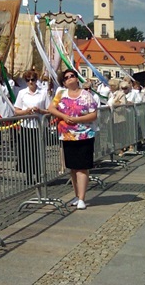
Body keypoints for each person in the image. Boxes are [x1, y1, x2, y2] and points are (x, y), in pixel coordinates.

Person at [45, 69, 99, 210]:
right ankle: (76, 195)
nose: (70, 78)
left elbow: (93, 115)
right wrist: (63, 116)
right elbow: (51, 108)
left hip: (84, 135)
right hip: (67, 135)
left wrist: (77, 119)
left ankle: (82, 198)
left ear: (76, 78)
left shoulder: (86, 95)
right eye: (66, 77)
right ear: (64, 82)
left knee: (82, 167)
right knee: (73, 168)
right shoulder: (61, 94)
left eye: (72, 76)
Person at [13, 69, 50, 182]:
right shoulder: (22, 93)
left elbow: (49, 110)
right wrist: (26, 112)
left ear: (36, 80)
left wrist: (40, 110)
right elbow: (16, 110)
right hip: (26, 126)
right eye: (28, 80)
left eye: (32, 80)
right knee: (26, 151)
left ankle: (39, 175)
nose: (30, 82)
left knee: (38, 151)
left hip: (39, 126)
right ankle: (28, 176)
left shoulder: (43, 93)